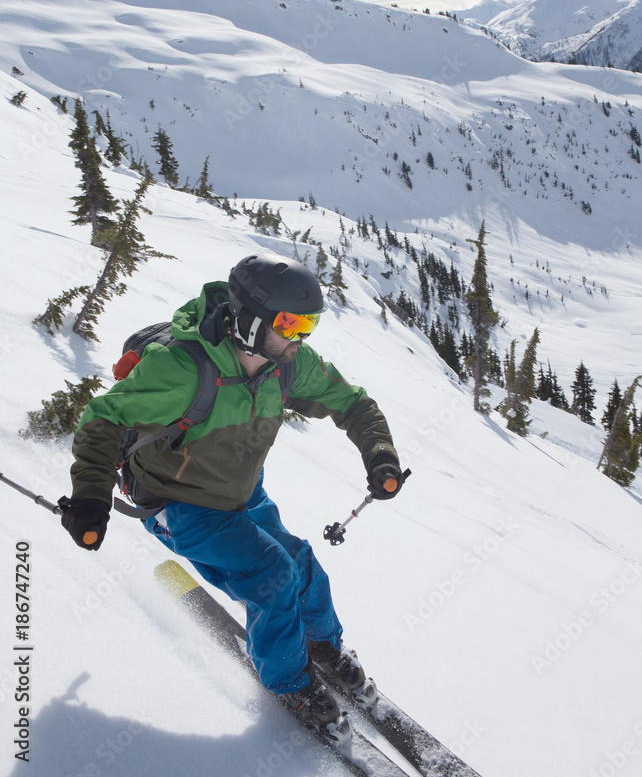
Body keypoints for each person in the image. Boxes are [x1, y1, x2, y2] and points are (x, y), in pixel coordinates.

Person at [60, 251, 404, 728]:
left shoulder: (287, 363)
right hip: (178, 504)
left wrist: (380, 454)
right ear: (251, 318)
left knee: (301, 563)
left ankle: (322, 645)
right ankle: (289, 684)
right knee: (273, 574)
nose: (300, 337)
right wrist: (91, 495)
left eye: (308, 324)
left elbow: (353, 403)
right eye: (289, 323)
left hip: (241, 492)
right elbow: (102, 419)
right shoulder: (181, 369)